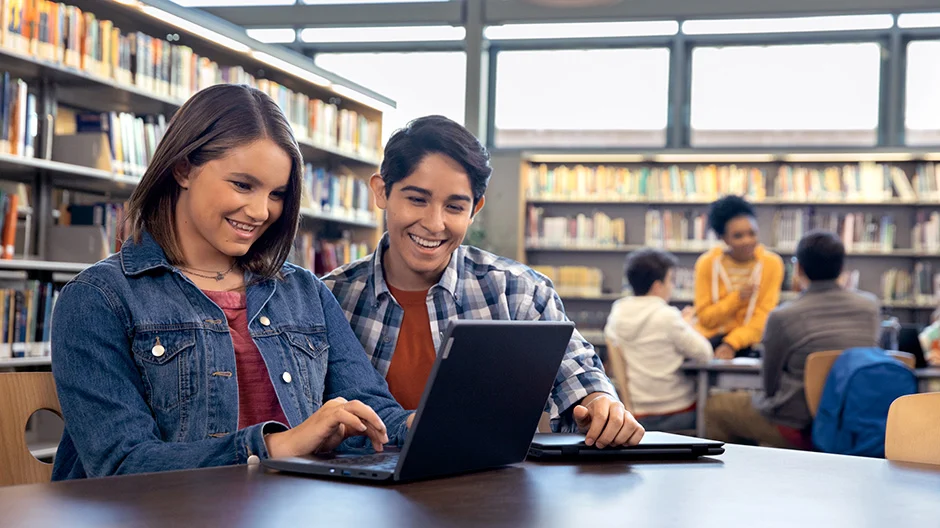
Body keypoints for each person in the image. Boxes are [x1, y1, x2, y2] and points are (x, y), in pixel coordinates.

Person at [50, 84, 412, 480]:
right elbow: (122, 464)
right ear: (183, 168)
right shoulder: (98, 299)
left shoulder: (305, 292)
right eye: (243, 185)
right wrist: (278, 447)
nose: (260, 211)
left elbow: (377, 417)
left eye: (276, 194)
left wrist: (418, 426)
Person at [323, 115, 643, 448]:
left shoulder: (519, 291)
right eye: (417, 199)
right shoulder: (329, 297)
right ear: (381, 191)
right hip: (361, 494)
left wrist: (599, 404)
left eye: (455, 207)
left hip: (487, 492)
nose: (435, 224)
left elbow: (579, 374)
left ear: (475, 209)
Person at [705, 230, 880, 448]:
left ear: (799, 269)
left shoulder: (783, 316)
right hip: (851, 420)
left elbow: (769, 385)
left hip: (798, 426)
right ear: (842, 268)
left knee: (715, 407)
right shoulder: (870, 307)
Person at [604, 248, 713, 432]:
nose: (672, 286)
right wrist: (687, 325)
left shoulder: (618, 311)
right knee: (713, 407)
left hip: (635, 412)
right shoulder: (667, 316)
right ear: (657, 286)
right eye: (671, 280)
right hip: (676, 411)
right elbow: (705, 353)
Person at [692, 196, 784, 359]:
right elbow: (705, 318)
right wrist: (737, 299)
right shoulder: (706, 264)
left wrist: (731, 343)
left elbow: (764, 317)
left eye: (752, 233)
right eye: (738, 236)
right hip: (709, 342)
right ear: (723, 238)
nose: (747, 241)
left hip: (751, 344)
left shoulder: (772, 264)